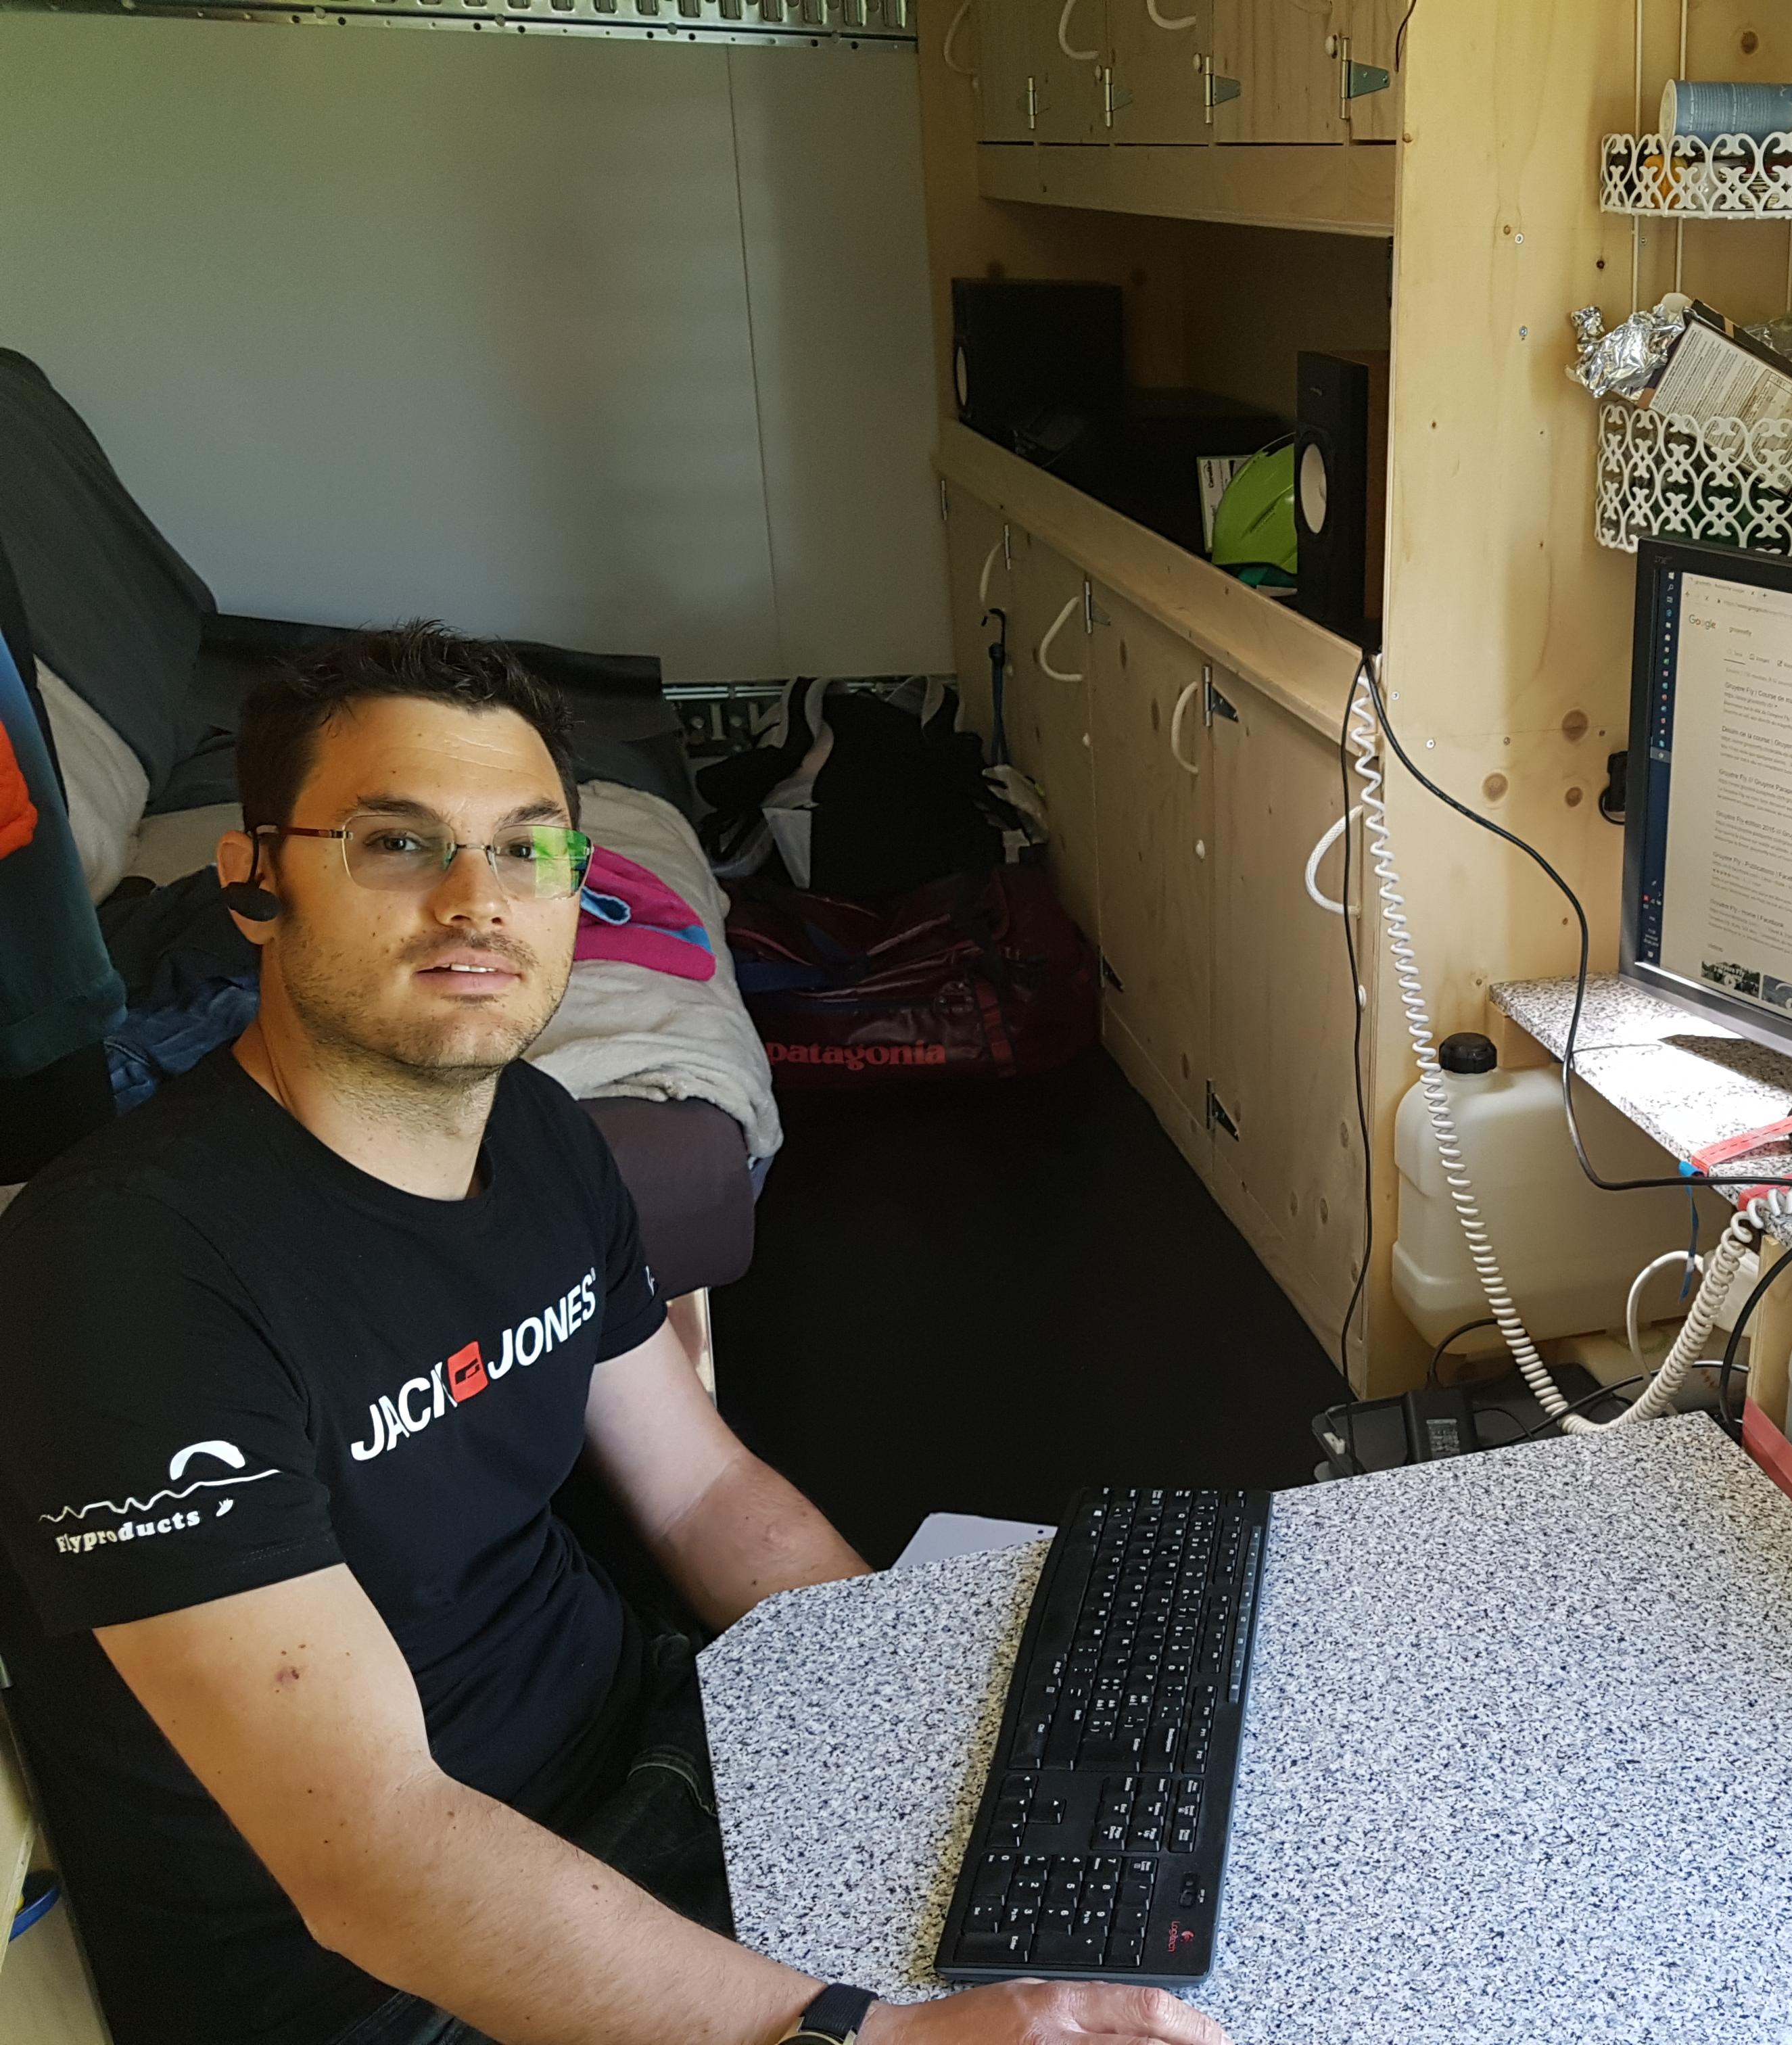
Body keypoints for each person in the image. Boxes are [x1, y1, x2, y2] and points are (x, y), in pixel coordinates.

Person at [0, 626, 1229, 2045]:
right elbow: (372, 1858)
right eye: (397, 843)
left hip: (651, 1764)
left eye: (528, 849)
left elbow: (702, 1488)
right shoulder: (124, 1279)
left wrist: (913, 1699)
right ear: (255, 881)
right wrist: (872, 2036)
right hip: (382, 1981)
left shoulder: (535, 1131)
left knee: (1169, 1882)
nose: (478, 900)